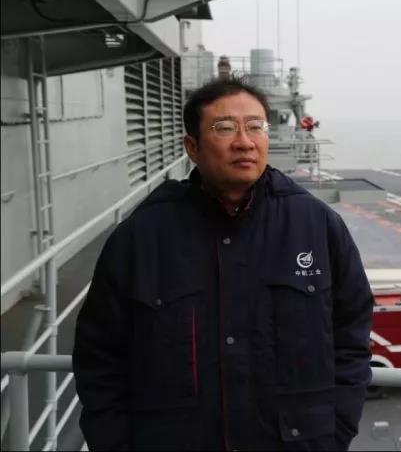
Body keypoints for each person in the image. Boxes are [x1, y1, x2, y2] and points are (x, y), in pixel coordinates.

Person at [72, 77, 374, 451]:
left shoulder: (317, 225)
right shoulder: (140, 237)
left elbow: (352, 334)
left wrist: (334, 433)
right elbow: (99, 357)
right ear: (192, 147)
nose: (245, 142)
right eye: (225, 128)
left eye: (256, 127)